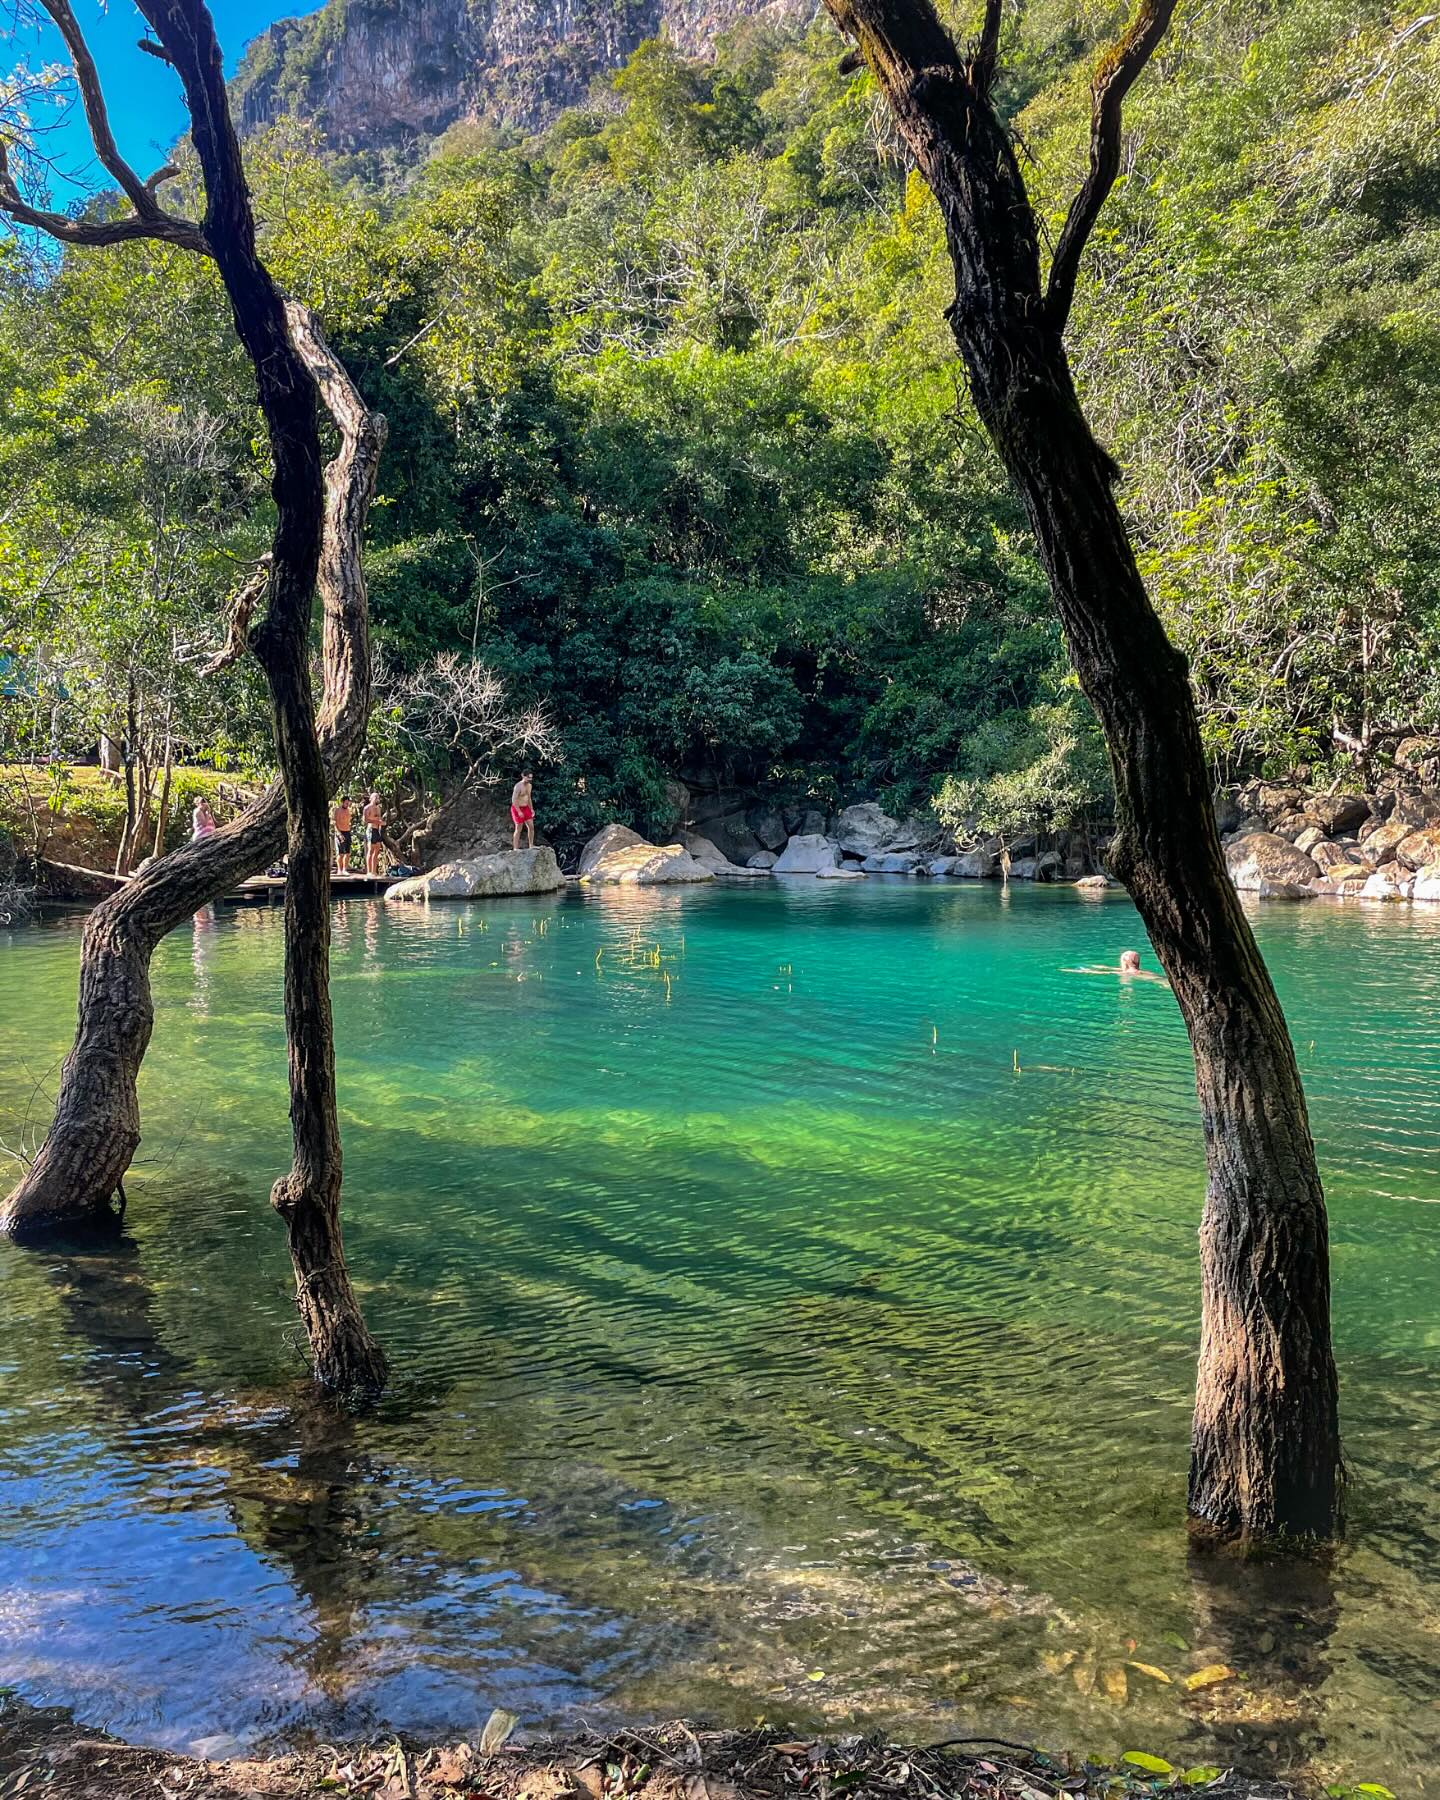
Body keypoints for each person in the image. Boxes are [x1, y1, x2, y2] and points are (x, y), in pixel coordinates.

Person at [510, 770, 535, 850]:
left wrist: (531, 809)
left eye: (531, 778)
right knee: (518, 828)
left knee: (531, 826)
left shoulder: (529, 786)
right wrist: (519, 811)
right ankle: (515, 848)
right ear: (523, 776)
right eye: (528, 777)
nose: (530, 779)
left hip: (526, 807)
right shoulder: (518, 786)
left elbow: (529, 798)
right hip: (517, 808)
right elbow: (514, 800)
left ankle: (531, 845)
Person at [363, 791, 386, 875]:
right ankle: (369, 871)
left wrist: (381, 822)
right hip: (370, 829)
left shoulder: (378, 808)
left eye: (378, 797)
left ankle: (374, 871)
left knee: (377, 849)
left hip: (377, 830)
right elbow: (365, 820)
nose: (377, 799)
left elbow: (379, 818)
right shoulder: (367, 808)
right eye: (375, 797)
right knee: (371, 850)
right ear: (371, 798)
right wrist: (376, 821)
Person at [333, 795, 355, 875]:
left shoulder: (348, 811)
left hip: (347, 832)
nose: (347, 805)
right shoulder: (337, 810)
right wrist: (339, 833)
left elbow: (348, 822)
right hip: (340, 832)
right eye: (346, 803)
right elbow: (335, 823)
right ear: (342, 802)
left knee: (347, 852)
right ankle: (339, 870)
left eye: (348, 803)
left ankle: (344, 869)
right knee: (340, 853)